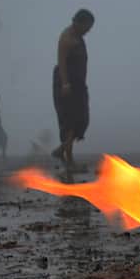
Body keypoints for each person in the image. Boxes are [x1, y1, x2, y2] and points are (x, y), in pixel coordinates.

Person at [52, 9, 94, 169]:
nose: (88, 31)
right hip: (67, 83)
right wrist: (65, 83)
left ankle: (62, 151)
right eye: (87, 27)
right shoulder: (67, 37)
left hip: (79, 84)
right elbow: (61, 61)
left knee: (82, 119)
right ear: (79, 22)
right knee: (70, 120)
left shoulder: (78, 37)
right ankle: (69, 160)